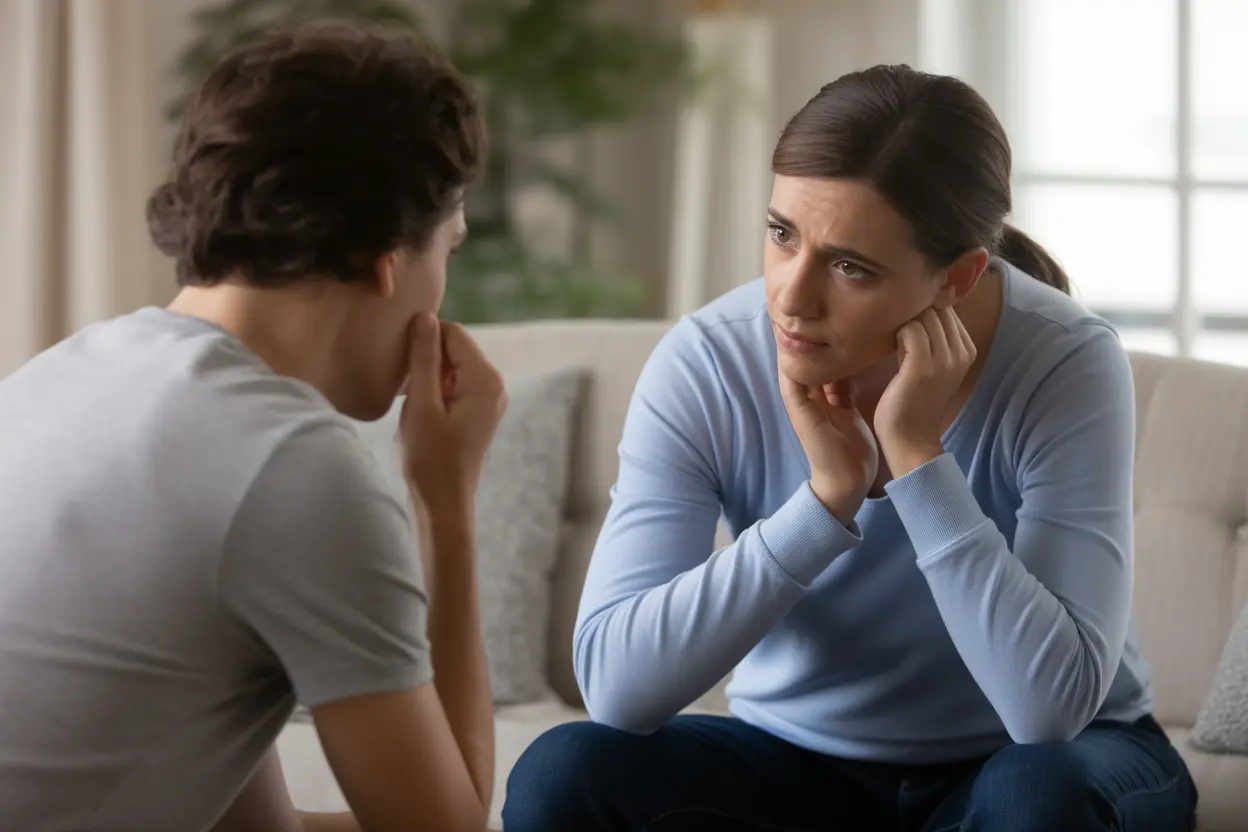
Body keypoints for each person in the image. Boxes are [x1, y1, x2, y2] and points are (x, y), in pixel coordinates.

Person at [502, 64, 1199, 831]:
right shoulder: (707, 364)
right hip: (797, 763)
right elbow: (615, 688)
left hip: (1047, 760)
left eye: (848, 267)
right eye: (782, 234)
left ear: (958, 277)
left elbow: (1048, 712)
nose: (790, 297)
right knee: (563, 774)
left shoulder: (1066, 362)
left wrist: (917, 460)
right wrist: (824, 504)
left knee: (1036, 797)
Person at [0, 21, 505, 832]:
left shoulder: (68, 375)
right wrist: (445, 504)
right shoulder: (292, 465)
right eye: (448, 249)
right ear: (387, 264)